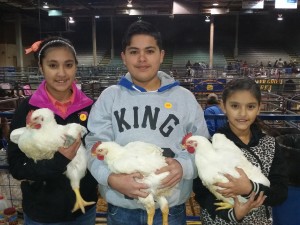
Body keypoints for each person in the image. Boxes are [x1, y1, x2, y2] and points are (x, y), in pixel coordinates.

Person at [85, 20, 210, 225]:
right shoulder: (110, 97)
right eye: (134, 52)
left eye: (149, 51)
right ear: (124, 57)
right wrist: (110, 178)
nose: (142, 59)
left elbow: (201, 146)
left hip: (170, 209)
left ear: (161, 55)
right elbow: (94, 146)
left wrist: (183, 166)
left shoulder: (184, 98)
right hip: (122, 209)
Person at [7, 37, 98, 225]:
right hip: (42, 212)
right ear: (41, 68)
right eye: (53, 65)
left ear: (76, 66)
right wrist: (59, 161)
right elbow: (16, 167)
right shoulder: (28, 110)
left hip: (84, 210)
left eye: (68, 65)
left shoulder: (91, 108)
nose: (61, 73)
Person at [193, 77, 288, 224]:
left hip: (258, 221)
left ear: (259, 107)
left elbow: (280, 193)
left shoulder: (270, 144)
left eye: (250, 107)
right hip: (220, 221)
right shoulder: (209, 146)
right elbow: (201, 192)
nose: (243, 113)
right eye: (235, 106)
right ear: (223, 106)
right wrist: (231, 214)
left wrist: (251, 188)